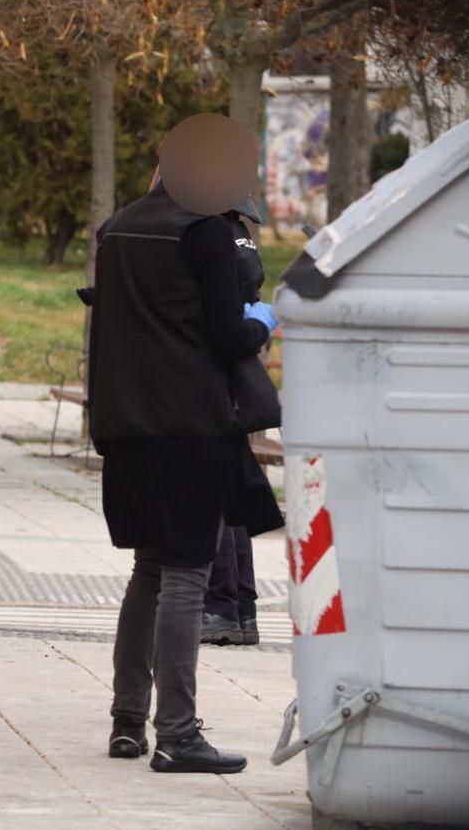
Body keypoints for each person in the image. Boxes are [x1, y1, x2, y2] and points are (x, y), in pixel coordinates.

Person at [89, 117, 283, 775]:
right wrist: (263, 319)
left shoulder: (117, 227)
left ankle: (126, 721)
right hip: (192, 423)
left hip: (126, 422)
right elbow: (231, 336)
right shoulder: (210, 229)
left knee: (148, 569)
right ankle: (177, 732)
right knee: (186, 575)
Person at [202, 194, 268, 647]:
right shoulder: (239, 228)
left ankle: (219, 606)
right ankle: (242, 608)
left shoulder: (208, 230)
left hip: (212, 370)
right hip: (239, 371)